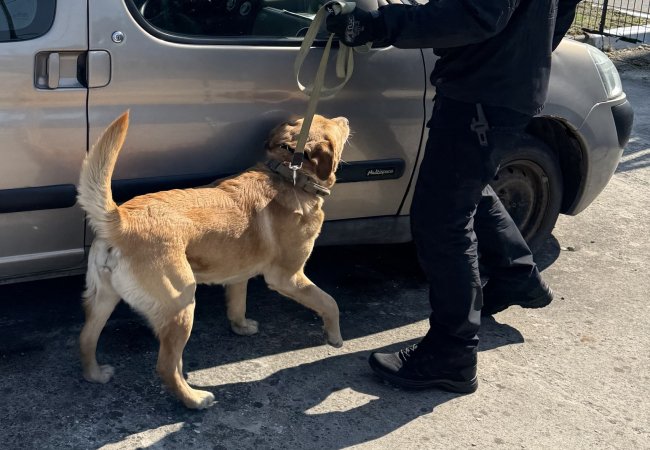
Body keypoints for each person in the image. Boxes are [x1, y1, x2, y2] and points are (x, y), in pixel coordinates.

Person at [326, 0, 581, 393]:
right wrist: (521, 55)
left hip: (481, 92)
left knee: (441, 218)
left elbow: (475, 14)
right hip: (500, 85)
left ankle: (452, 354)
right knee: (464, 190)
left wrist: (378, 24)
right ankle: (516, 275)